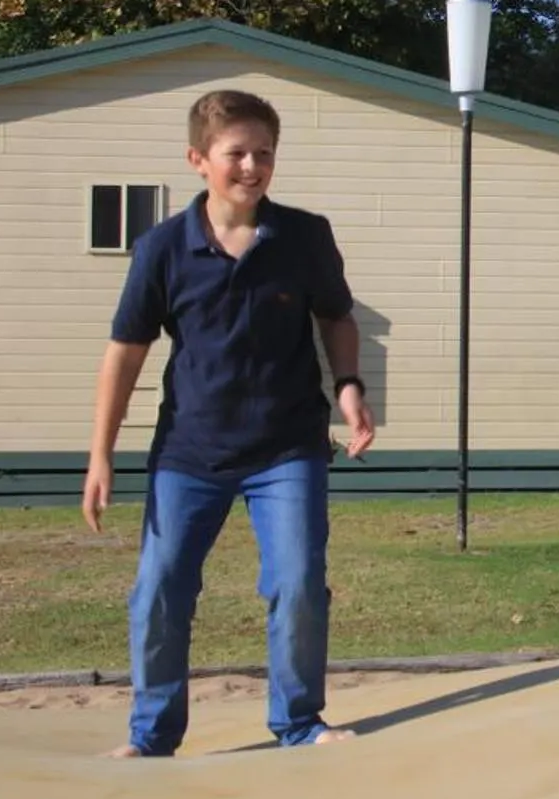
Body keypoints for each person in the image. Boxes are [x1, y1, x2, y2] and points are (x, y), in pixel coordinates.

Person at [82, 89, 377, 757]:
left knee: (298, 582)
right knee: (160, 589)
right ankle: (152, 736)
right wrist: (100, 455)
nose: (251, 166)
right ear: (198, 160)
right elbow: (125, 352)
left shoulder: (304, 236)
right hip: (190, 453)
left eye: (264, 153)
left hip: (288, 449)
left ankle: (299, 723)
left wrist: (350, 387)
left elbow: (336, 316)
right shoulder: (162, 249)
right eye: (235, 153)